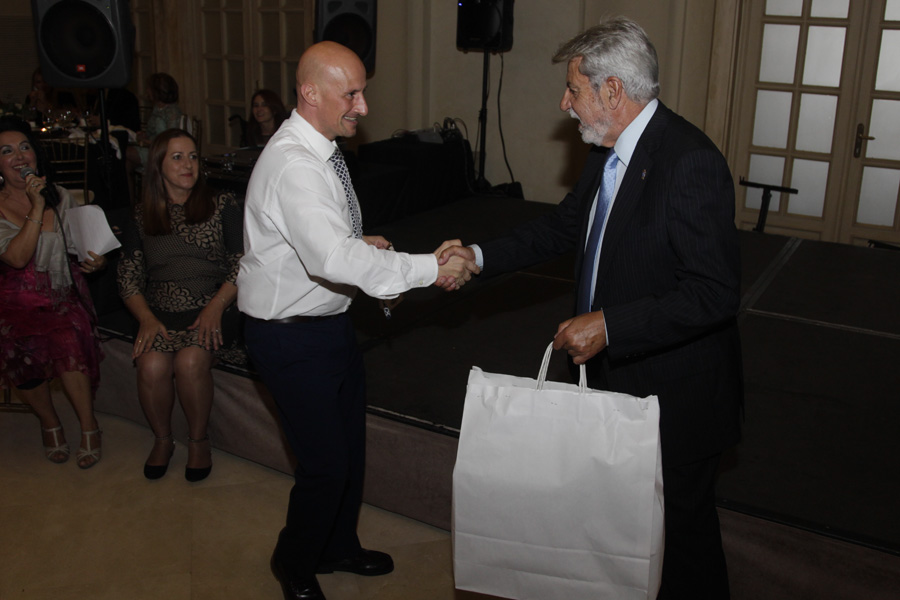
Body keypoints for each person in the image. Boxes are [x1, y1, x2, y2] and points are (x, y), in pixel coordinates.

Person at [439, 18, 743, 600]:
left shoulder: (689, 162)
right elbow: (563, 227)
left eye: (573, 89)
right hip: (615, 384)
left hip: (676, 399)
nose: (564, 103)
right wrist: (478, 256)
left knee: (684, 548)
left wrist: (611, 324)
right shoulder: (608, 148)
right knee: (619, 538)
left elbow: (714, 292)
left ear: (612, 91)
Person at [236, 41, 478, 600]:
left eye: (362, 93)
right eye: (351, 94)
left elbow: (322, 241)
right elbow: (333, 260)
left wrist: (353, 243)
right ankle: (294, 562)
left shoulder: (320, 148)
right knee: (324, 465)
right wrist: (431, 267)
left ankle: (337, 545)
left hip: (328, 326)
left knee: (348, 451)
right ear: (309, 92)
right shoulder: (295, 163)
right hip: (289, 338)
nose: (363, 107)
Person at [117, 128, 243, 483]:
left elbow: (243, 264)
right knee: (151, 365)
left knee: (189, 362)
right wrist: (145, 319)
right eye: (177, 157)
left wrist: (215, 307)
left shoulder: (222, 205)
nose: (188, 164)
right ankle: (162, 440)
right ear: (158, 165)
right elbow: (128, 277)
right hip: (159, 311)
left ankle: (199, 441)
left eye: (192, 157)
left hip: (216, 304)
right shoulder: (141, 215)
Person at [0, 115, 106, 469]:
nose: (19, 156)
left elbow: (82, 244)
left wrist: (95, 261)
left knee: (67, 334)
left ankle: (89, 426)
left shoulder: (61, 197)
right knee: (16, 341)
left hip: (60, 293)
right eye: (7, 151)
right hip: (12, 300)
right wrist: (35, 207)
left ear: (36, 154)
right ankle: (50, 422)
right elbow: (16, 258)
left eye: (25, 147)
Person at [125, 73, 183, 198]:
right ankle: (131, 201)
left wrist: (147, 142)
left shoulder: (172, 112)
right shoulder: (157, 108)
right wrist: (144, 136)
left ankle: (145, 198)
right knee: (125, 163)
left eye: (149, 88)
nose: (147, 91)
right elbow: (154, 131)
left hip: (162, 151)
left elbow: (170, 139)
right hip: (152, 146)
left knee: (125, 153)